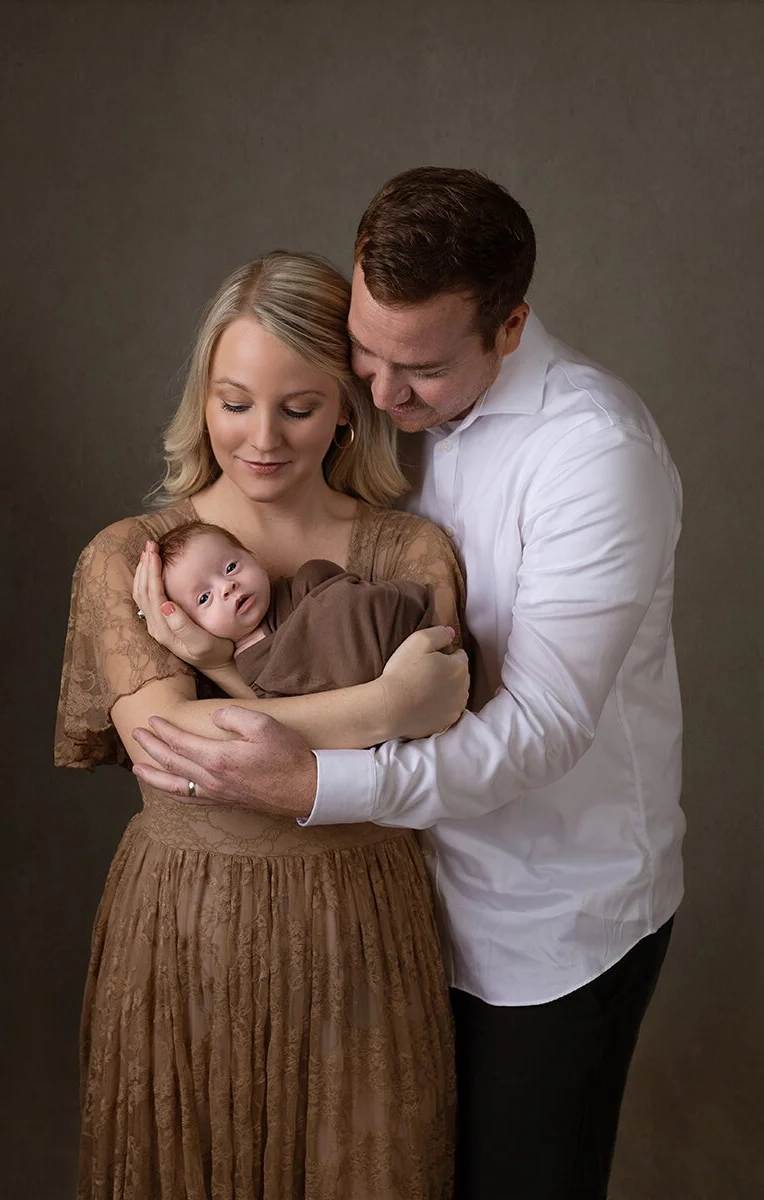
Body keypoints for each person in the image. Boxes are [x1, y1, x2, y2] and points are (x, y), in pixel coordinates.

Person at [133, 169, 686, 1200]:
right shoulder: (379, 426)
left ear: (510, 327)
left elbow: (541, 728)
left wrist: (313, 783)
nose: (382, 397)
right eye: (366, 353)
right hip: (395, 914)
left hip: (548, 919)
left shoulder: (593, 457)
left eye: (421, 369)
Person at [55, 250, 470, 1200]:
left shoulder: (408, 549)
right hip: (186, 924)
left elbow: (444, 730)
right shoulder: (130, 558)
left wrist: (210, 672)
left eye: (299, 407)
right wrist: (385, 706)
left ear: (348, 407)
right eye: (235, 402)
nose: (263, 438)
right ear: (202, 399)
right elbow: (172, 749)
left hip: (364, 923)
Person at [144, 517, 446, 699]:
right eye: (204, 598)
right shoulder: (248, 668)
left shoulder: (300, 586)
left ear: (253, 558)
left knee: (319, 576)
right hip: (365, 692)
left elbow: (346, 600)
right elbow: (293, 711)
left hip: (388, 636)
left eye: (231, 567)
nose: (227, 586)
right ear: (190, 624)